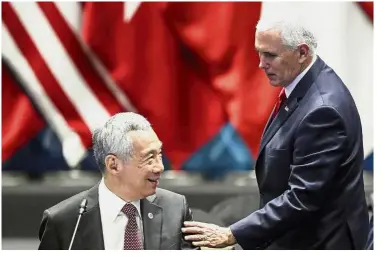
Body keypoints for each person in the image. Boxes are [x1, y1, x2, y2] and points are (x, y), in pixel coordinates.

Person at [182, 19, 369, 249]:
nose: (261, 64)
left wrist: (232, 234)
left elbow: (303, 198)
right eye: (259, 53)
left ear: (302, 52)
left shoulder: (322, 110)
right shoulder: (303, 84)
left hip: (322, 243)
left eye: (270, 55)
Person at [38, 112, 198, 250]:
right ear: (113, 165)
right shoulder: (65, 220)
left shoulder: (175, 209)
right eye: (150, 157)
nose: (160, 167)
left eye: (160, 154)